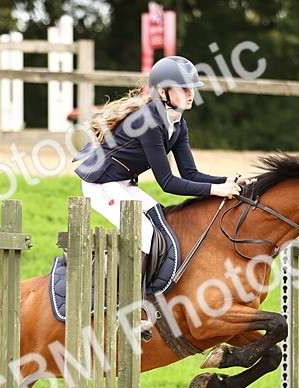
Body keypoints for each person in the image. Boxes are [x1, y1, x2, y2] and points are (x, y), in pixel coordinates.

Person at [69, 55, 242, 297]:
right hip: (101, 184)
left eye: (191, 88)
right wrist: (215, 191)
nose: (190, 94)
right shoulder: (149, 122)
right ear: (163, 93)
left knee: (163, 223)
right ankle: (125, 301)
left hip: (123, 183)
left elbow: (190, 173)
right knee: (145, 233)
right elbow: (167, 183)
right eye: (183, 89)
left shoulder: (179, 123)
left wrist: (225, 182)